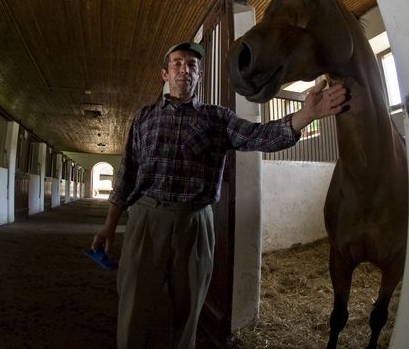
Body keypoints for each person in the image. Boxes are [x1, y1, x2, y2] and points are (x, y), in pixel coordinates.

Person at [91, 41, 348, 349]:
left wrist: (304, 116)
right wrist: (109, 225)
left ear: (199, 76)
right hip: (146, 220)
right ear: (164, 74)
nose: (184, 69)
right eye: (177, 63)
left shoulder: (217, 118)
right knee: (133, 309)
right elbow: (126, 174)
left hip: (195, 224)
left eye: (192, 65)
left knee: (188, 316)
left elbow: (257, 136)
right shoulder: (144, 118)